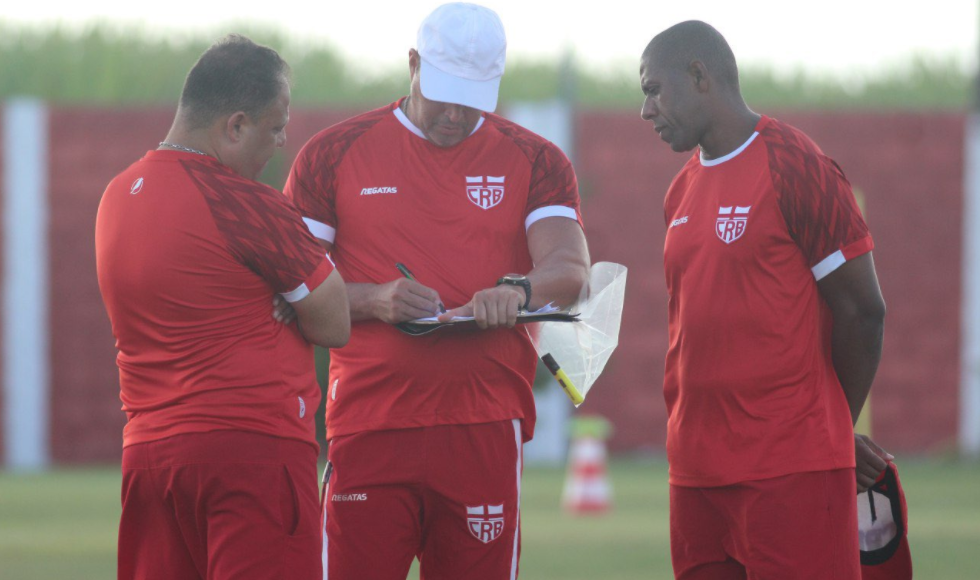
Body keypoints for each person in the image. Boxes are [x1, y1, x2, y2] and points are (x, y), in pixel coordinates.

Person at [284, 3, 590, 578]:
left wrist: (519, 292)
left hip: (484, 426)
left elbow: (570, 267)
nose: (455, 114)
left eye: (472, 99)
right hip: (369, 425)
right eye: (444, 93)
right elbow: (287, 287)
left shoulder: (537, 158)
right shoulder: (332, 154)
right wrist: (377, 299)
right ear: (413, 65)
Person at [639, 21, 888, 579]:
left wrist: (828, 430)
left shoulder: (795, 164)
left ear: (700, 75)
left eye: (654, 89)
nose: (646, 110)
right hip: (696, 472)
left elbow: (863, 312)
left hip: (788, 470)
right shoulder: (680, 189)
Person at [95, 34, 350, 580]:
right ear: (235, 125)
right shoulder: (245, 202)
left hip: (148, 457)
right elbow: (334, 321)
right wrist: (284, 297)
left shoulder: (115, 195)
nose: (282, 142)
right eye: (276, 126)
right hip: (250, 453)